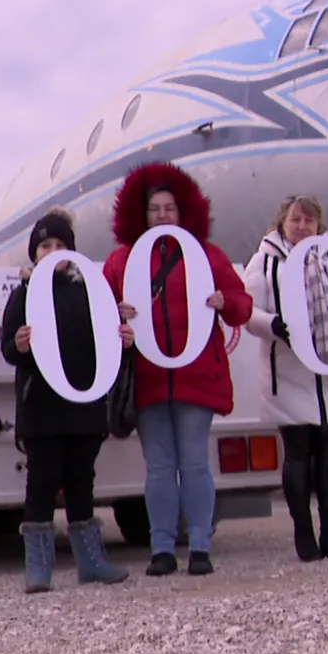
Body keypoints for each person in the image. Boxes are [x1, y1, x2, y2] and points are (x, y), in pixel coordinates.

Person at [102, 161, 253, 577]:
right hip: (149, 379)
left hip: (195, 377)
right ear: (142, 213)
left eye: (170, 208)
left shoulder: (207, 256)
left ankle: (199, 546)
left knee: (195, 464)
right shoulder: (121, 261)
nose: (163, 215)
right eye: (156, 209)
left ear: (184, 211)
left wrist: (226, 300)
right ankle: (163, 548)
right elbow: (101, 314)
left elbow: (242, 305)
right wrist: (115, 312)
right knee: (162, 468)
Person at [0, 207, 133, 593]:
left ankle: (91, 563)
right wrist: (18, 345)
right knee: (41, 484)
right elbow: (8, 347)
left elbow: (108, 349)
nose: (53, 250)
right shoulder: (23, 294)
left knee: (81, 483)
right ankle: (38, 568)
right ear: (34, 253)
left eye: (60, 244)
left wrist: (125, 343)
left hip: (85, 407)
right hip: (42, 408)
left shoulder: (91, 292)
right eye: (45, 245)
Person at [242, 195, 328, 562]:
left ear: (319, 225)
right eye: (296, 220)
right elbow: (248, 312)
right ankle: (303, 534)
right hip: (288, 376)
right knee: (297, 456)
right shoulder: (264, 262)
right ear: (282, 223)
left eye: (309, 220)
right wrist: (272, 325)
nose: (302, 226)